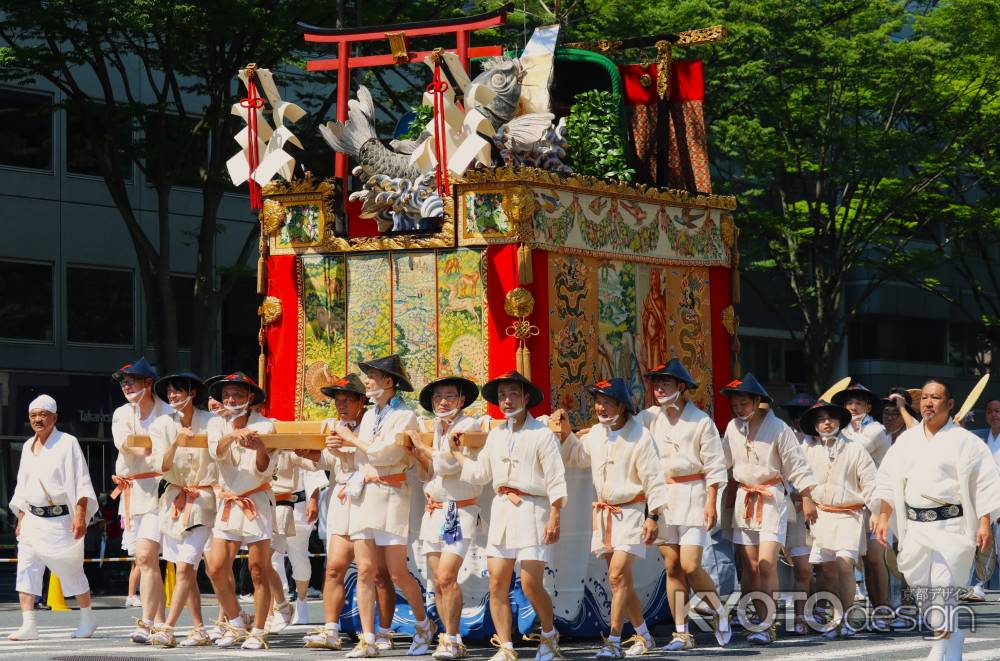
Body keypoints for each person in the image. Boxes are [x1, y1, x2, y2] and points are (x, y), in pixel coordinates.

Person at [874, 380, 1000, 661]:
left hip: (952, 525)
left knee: (943, 586)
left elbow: (986, 484)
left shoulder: (966, 441)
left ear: (950, 404)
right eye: (925, 398)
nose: (929, 402)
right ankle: (953, 639)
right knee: (924, 593)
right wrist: (883, 515)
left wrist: (984, 522)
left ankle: (941, 649)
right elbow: (888, 480)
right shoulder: (907, 440)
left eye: (936, 397)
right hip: (915, 526)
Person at [451, 370, 568, 661]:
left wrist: (555, 516)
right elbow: (479, 474)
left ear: (526, 397)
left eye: (513, 393)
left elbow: (556, 479)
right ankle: (506, 646)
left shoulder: (541, 434)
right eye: (502, 395)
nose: (507, 400)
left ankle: (550, 636)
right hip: (502, 510)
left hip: (533, 511)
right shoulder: (496, 435)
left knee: (530, 584)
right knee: (497, 583)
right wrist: (457, 454)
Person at [556, 378, 667, 658]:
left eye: (606, 402)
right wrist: (567, 433)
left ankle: (614, 640)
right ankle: (643, 636)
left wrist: (653, 516)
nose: (600, 407)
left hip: (629, 511)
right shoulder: (595, 433)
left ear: (622, 405)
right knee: (620, 580)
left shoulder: (640, 436)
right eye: (597, 401)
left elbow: (654, 479)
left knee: (617, 575)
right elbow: (579, 458)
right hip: (604, 513)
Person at [338, 354, 429, 658]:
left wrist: (350, 439)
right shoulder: (367, 417)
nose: (366, 381)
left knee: (397, 572)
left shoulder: (406, 417)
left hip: (391, 496)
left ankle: (422, 624)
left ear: (388, 382)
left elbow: (385, 454)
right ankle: (368, 638)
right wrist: (341, 450)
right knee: (364, 570)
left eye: (372, 376)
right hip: (366, 495)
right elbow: (362, 459)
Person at [298, 374, 397, 652]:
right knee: (333, 568)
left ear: (360, 401)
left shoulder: (371, 422)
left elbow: (377, 455)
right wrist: (311, 454)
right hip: (342, 496)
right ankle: (331, 629)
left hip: (369, 493)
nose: (340, 405)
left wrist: (349, 443)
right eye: (337, 400)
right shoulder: (336, 425)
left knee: (377, 572)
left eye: (346, 400)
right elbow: (329, 461)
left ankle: (385, 631)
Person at [720, 373, 817, 645]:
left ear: (757, 400)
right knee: (749, 567)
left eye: (744, 403)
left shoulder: (779, 428)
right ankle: (757, 620)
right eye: (735, 405)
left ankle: (768, 624)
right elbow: (721, 461)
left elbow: (797, 464)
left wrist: (807, 497)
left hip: (772, 498)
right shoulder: (732, 428)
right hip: (744, 497)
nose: (739, 409)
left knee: (766, 564)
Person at [643, 360, 731, 651]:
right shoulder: (649, 418)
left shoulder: (701, 421)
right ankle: (682, 632)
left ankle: (718, 610)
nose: (658, 389)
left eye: (665, 383)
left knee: (690, 564)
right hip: (662, 498)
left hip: (694, 494)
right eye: (656, 383)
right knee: (672, 567)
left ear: (681, 387)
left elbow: (716, 467)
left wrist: (711, 502)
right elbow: (622, 429)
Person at [406, 376, 485, 660]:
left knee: (447, 575)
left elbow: (450, 464)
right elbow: (430, 473)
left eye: (450, 396)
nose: (443, 402)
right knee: (437, 580)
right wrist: (418, 455)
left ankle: (452, 638)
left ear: (462, 400)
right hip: (435, 509)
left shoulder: (468, 426)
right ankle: (449, 637)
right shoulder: (436, 429)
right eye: (438, 397)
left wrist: (423, 447)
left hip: (458, 510)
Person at [9, 395, 99, 641]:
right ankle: (29, 624)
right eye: (33, 415)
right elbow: (22, 485)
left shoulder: (67, 442)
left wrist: (80, 514)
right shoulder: (28, 446)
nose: (38, 419)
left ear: (55, 417)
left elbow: (81, 480)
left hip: (60, 518)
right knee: (26, 568)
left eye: (43, 415)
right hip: (32, 517)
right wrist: (21, 516)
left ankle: (88, 618)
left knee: (71, 569)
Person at [204, 372, 277, 650]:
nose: (231, 399)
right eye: (226, 395)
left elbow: (264, 469)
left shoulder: (266, 425)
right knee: (215, 567)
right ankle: (236, 621)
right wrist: (233, 433)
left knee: (258, 569)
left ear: (249, 398)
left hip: (255, 500)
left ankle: (259, 630)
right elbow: (216, 453)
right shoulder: (215, 424)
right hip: (228, 501)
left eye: (237, 394)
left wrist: (259, 448)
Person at [147, 372, 217, 647]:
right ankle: (200, 628)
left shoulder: (212, 422)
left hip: (204, 500)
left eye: (179, 390)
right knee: (183, 569)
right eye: (170, 392)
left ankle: (168, 627)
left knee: (187, 566)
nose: (174, 396)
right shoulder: (161, 424)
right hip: (174, 501)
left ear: (193, 393)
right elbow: (161, 466)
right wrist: (177, 441)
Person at [798, 401, 877, 639]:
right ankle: (834, 617)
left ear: (840, 421)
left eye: (831, 417)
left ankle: (848, 618)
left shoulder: (855, 448)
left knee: (845, 564)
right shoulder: (808, 449)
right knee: (827, 570)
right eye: (821, 419)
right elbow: (798, 476)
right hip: (821, 514)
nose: (826, 422)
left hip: (850, 514)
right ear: (814, 424)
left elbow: (871, 483)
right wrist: (806, 499)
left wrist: (877, 513)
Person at [110, 357, 171, 643]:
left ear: (149, 383)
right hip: (133, 492)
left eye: (132, 380)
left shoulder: (168, 413)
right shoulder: (122, 414)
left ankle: (147, 623)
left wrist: (155, 447)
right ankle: (159, 622)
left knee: (149, 558)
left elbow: (168, 450)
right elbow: (125, 443)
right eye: (123, 382)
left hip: (163, 490)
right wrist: (157, 445)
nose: (126, 386)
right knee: (147, 561)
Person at [832, 383, 892, 630]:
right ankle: (844, 612)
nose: (853, 407)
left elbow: (856, 450)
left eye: (858, 403)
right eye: (848, 403)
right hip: (848, 502)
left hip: (874, 501)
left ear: (868, 406)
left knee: (874, 558)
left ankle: (882, 610)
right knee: (844, 559)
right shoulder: (840, 429)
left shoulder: (876, 429)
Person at [779, 392, 820, 633]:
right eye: (795, 416)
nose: (799, 420)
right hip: (796, 510)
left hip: (825, 511)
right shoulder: (786, 439)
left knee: (825, 568)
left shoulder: (825, 441)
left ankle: (822, 609)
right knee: (803, 567)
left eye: (804, 416)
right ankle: (801, 616)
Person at [266, 450, 314, 632]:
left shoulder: (294, 447)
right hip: (264, 503)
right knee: (268, 560)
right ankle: (273, 610)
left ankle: (301, 601)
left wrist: (314, 499)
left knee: (298, 556)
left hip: (297, 502)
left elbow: (314, 469)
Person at [963, 398, 1000, 603]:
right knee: (980, 543)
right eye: (990, 411)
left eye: (998, 411)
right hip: (985, 498)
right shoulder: (980, 438)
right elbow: (962, 441)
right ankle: (977, 586)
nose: (994, 415)